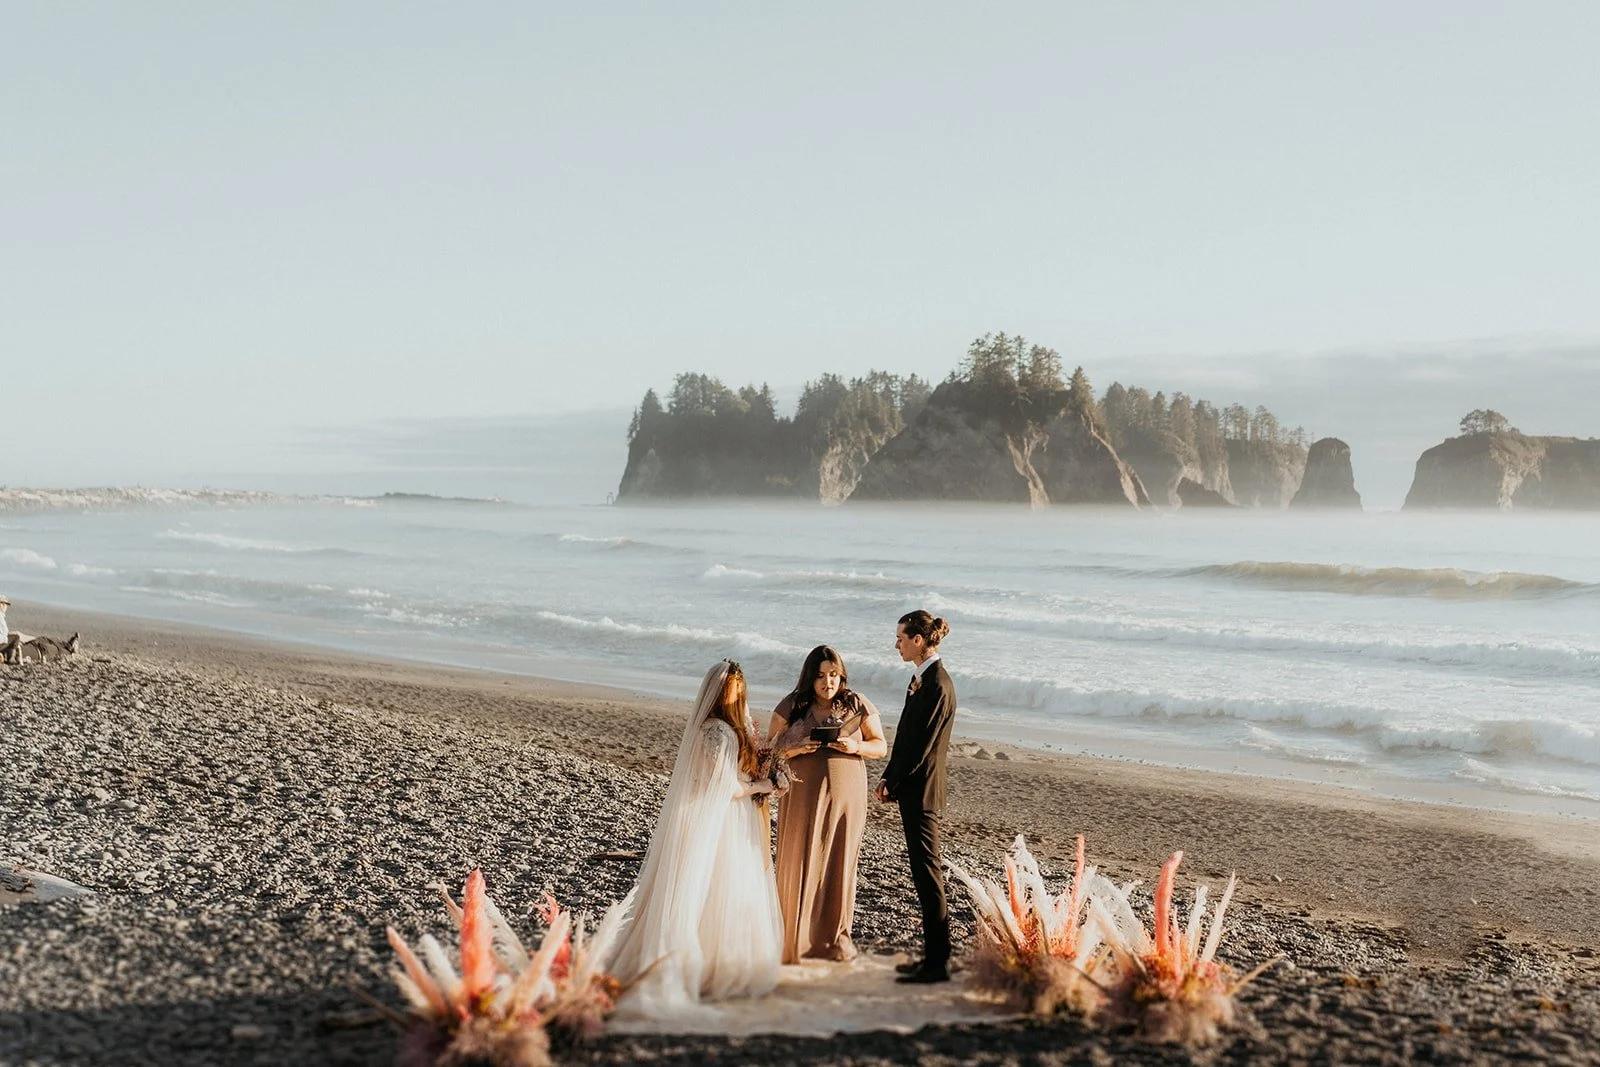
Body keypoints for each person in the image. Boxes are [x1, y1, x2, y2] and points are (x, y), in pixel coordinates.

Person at [606, 660, 783, 1019]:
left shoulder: (730, 729)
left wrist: (763, 772)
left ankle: (722, 965)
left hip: (736, 818)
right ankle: (703, 968)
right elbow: (725, 787)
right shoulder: (716, 733)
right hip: (721, 819)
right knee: (713, 887)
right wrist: (763, 785)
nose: (737, 697)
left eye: (739, 690)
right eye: (732, 691)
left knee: (730, 889)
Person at [767, 645, 888, 964]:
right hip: (802, 794)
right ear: (811, 677)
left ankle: (834, 940)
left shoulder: (857, 703)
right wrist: (797, 748)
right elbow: (769, 750)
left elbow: (881, 746)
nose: (827, 682)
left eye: (833, 675)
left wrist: (855, 745)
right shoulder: (792, 704)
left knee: (839, 859)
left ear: (842, 675)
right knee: (799, 857)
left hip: (846, 794)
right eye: (821, 676)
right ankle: (794, 940)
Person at [874, 610, 956, 984]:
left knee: (928, 875)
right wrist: (890, 775)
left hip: (922, 792)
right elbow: (907, 737)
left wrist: (893, 781)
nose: (897, 644)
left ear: (919, 640)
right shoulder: (923, 678)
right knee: (923, 874)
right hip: (914, 788)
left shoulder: (938, 684)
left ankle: (937, 964)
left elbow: (920, 747)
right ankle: (931, 959)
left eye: (901, 638)